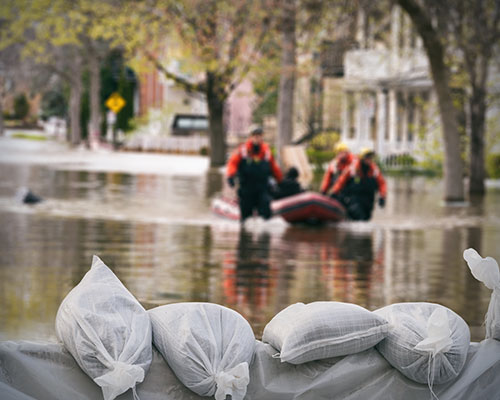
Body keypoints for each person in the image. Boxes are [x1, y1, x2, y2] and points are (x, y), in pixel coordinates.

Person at [226, 127, 283, 222]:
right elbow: (232, 163)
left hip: (262, 188)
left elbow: (274, 167)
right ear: (251, 137)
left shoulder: (266, 151)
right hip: (247, 189)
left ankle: (265, 233)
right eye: (255, 136)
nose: (257, 138)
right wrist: (231, 176)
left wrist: (280, 181)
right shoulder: (243, 150)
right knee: (245, 217)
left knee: (266, 212)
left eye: (259, 136)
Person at [331, 147, 386, 221]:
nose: (369, 160)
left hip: (369, 200)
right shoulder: (352, 169)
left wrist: (382, 196)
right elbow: (341, 181)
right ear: (362, 158)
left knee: (366, 219)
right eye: (367, 157)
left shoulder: (374, 170)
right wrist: (335, 192)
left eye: (370, 158)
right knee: (359, 217)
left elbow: (382, 183)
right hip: (354, 199)